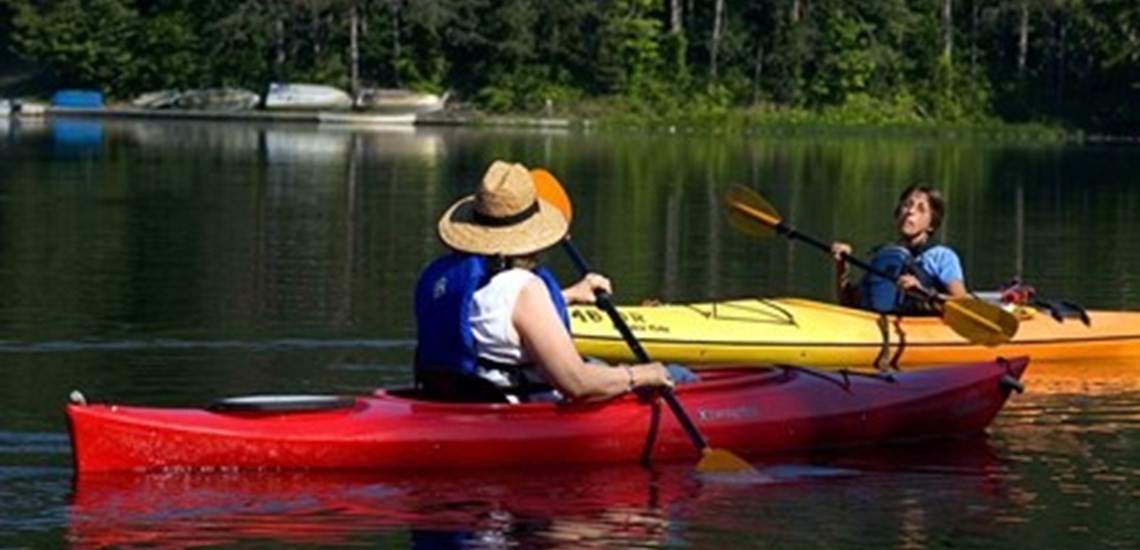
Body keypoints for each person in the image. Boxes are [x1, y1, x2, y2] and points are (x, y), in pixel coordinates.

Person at [414, 160, 676, 403]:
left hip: (456, 403)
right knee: (679, 375)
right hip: (517, 415)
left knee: (600, 363)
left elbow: (497, 320)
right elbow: (577, 383)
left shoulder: (455, 278)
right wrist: (640, 375)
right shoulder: (523, 288)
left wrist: (568, 295)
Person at [830, 184, 968, 314]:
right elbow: (848, 303)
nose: (910, 211)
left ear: (931, 224)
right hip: (877, 325)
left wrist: (922, 292)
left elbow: (963, 306)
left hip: (921, 328)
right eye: (907, 205)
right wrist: (842, 267)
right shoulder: (885, 256)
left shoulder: (942, 256)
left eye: (921, 209)